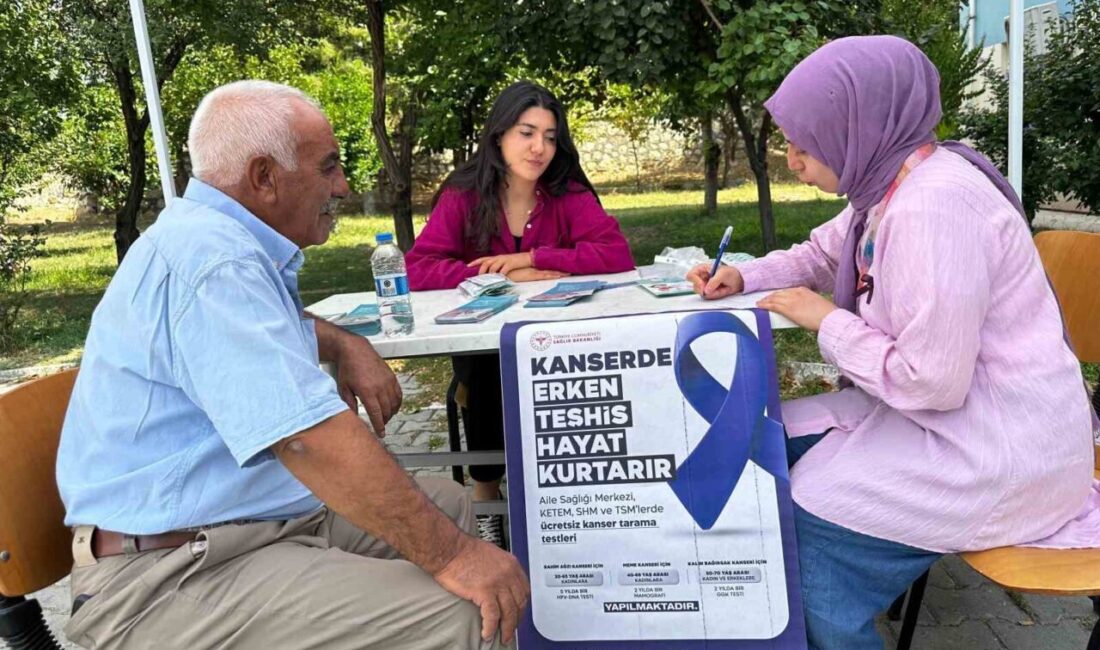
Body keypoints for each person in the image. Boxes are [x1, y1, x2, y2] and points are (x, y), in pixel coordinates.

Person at [55, 80, 529, 649]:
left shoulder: (220, 244)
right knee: (458, 610)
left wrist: (342, 343)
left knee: (456, 506)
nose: (343, 186)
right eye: (328, 167)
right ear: (263, 176)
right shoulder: (214, 261)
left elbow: (272, 329)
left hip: (241, 527)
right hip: (167, 574)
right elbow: (309, 441)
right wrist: (454, 559)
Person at [687, 36, 1100, 650]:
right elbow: (825, 251)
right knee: (766, 435)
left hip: (1003, 451)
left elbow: (931, 381)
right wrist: (746, 276)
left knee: (802, 516)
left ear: (859, 127)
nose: (792, 161)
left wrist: (826, 321)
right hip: (968, 422)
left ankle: (826, 614)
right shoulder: (892, 182)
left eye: (806, 144)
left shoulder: (933, 206)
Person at [406, 81, 634, 547]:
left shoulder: (565, 191)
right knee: (487, 370)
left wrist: (536, 258)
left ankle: (572, 502)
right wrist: (494, 279)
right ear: (498, 136)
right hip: (489, 340)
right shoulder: (464, 194)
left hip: (562, 334)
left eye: (550, 137)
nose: (539, 148)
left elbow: (616, 254)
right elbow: (417, 267)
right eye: (527, 133)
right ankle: (487, 501)